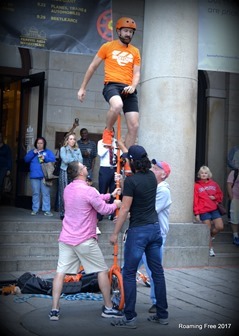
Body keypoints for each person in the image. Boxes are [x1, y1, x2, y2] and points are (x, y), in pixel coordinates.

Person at [49, 161, 123, 321]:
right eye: (83, 167)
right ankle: (108, 308)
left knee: (59, 273)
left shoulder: (68, 189)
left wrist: (109, 195)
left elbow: (93, 198)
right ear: (80, 173)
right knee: (102, 271)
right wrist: (115, 203)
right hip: (84, 239)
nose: (86, 168)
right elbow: (103, 208)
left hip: (66, 238)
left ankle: (54, 309)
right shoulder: (89, 190)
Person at [110, 145, 169, 329]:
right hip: (154, 229)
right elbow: (138, 158)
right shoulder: (152, 177)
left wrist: (114, 233)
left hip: (138, 232)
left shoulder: (132, 182)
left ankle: (129, 318)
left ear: (133, 162)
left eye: (128, 160)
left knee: (128, 273)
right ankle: (162, 314)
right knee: (157, 273)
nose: (126, 162)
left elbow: (125, 208)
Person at [77, 17, 141, 149]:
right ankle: (108, 130)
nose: (128, 34)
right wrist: (82, 88)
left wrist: (133, 86)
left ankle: (127, 158)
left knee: (134, 126)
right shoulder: (107, 47)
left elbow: (137, 73)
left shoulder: (135, 51)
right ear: (118, 31)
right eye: (126, 31)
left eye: (131, 32)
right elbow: (92, 67)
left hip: (129, 88)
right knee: (117, 105)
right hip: (112, 85)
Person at [139, 159, 172, 314]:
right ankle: (120, 296)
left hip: (155, 235)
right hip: (144, 233)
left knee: (153, 271)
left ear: (163, 174)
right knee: (127, 269)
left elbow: (151, 210)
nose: (151, 169)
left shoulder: (163, 191)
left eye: (155, 168)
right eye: (152, 167)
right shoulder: (153, 187)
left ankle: (157, 303)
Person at [193, 165, 224, 257]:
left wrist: (215, 197)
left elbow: (220, 195)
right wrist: (196, 213)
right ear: (199, 174)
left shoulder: (214, 184)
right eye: (202, 173)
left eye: (205, 173)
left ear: (208, 174)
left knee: (220, 226)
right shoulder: (196, 185)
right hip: (203, 210)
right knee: (207, 229)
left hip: (214, 209)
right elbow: (195, 200)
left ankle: (211, 236)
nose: (203, 174)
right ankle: (210, 249)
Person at [24, 137, 55, 216]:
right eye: (38, 143)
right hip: (34, 176)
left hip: (45, 176)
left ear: (44, 144)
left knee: (46, 193)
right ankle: (35, 209)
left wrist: (45, 158)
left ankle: (46, 210)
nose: (39, 145)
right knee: (36, 193)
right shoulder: (32, 152)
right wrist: (33, 153)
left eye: (41, 143)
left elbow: (53, 160)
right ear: (35, 144)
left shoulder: (48, 152)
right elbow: (26, 159)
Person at [58, 133, 83, 219]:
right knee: (64, 192)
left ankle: (71, 213)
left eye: (74, 139)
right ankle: (62, 213)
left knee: (73, 193)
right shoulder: (63, 149)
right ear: (67, 140)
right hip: (64, 171)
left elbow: (81, 161)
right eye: (70, 139)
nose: (72, 140)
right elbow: (65, 160)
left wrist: (73, 159)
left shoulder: (77, 150)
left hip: (74, 173)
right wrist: (75, 159)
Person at [97, 129, 119, 222]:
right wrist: (107, 145)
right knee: (103, 191)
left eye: (111, 132)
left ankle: (112, 213)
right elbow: (100, 154)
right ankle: (100, 214)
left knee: (113, 191)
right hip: (104, 168)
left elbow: (119, 154)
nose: (110, 134)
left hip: (114, 168)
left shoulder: (116, 142)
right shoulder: (100, 142)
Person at [227, 168, 239, 246]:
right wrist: (232, 198)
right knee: (235, 217)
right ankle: (235, 236)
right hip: (236, 198)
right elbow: (229, 185)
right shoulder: (234, 172)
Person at [0, 132, 12, 202]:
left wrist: (9, 169)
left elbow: (9, 158)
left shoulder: (6, 147)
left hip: (3, 168)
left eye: (0, 136)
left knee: (0, 183)